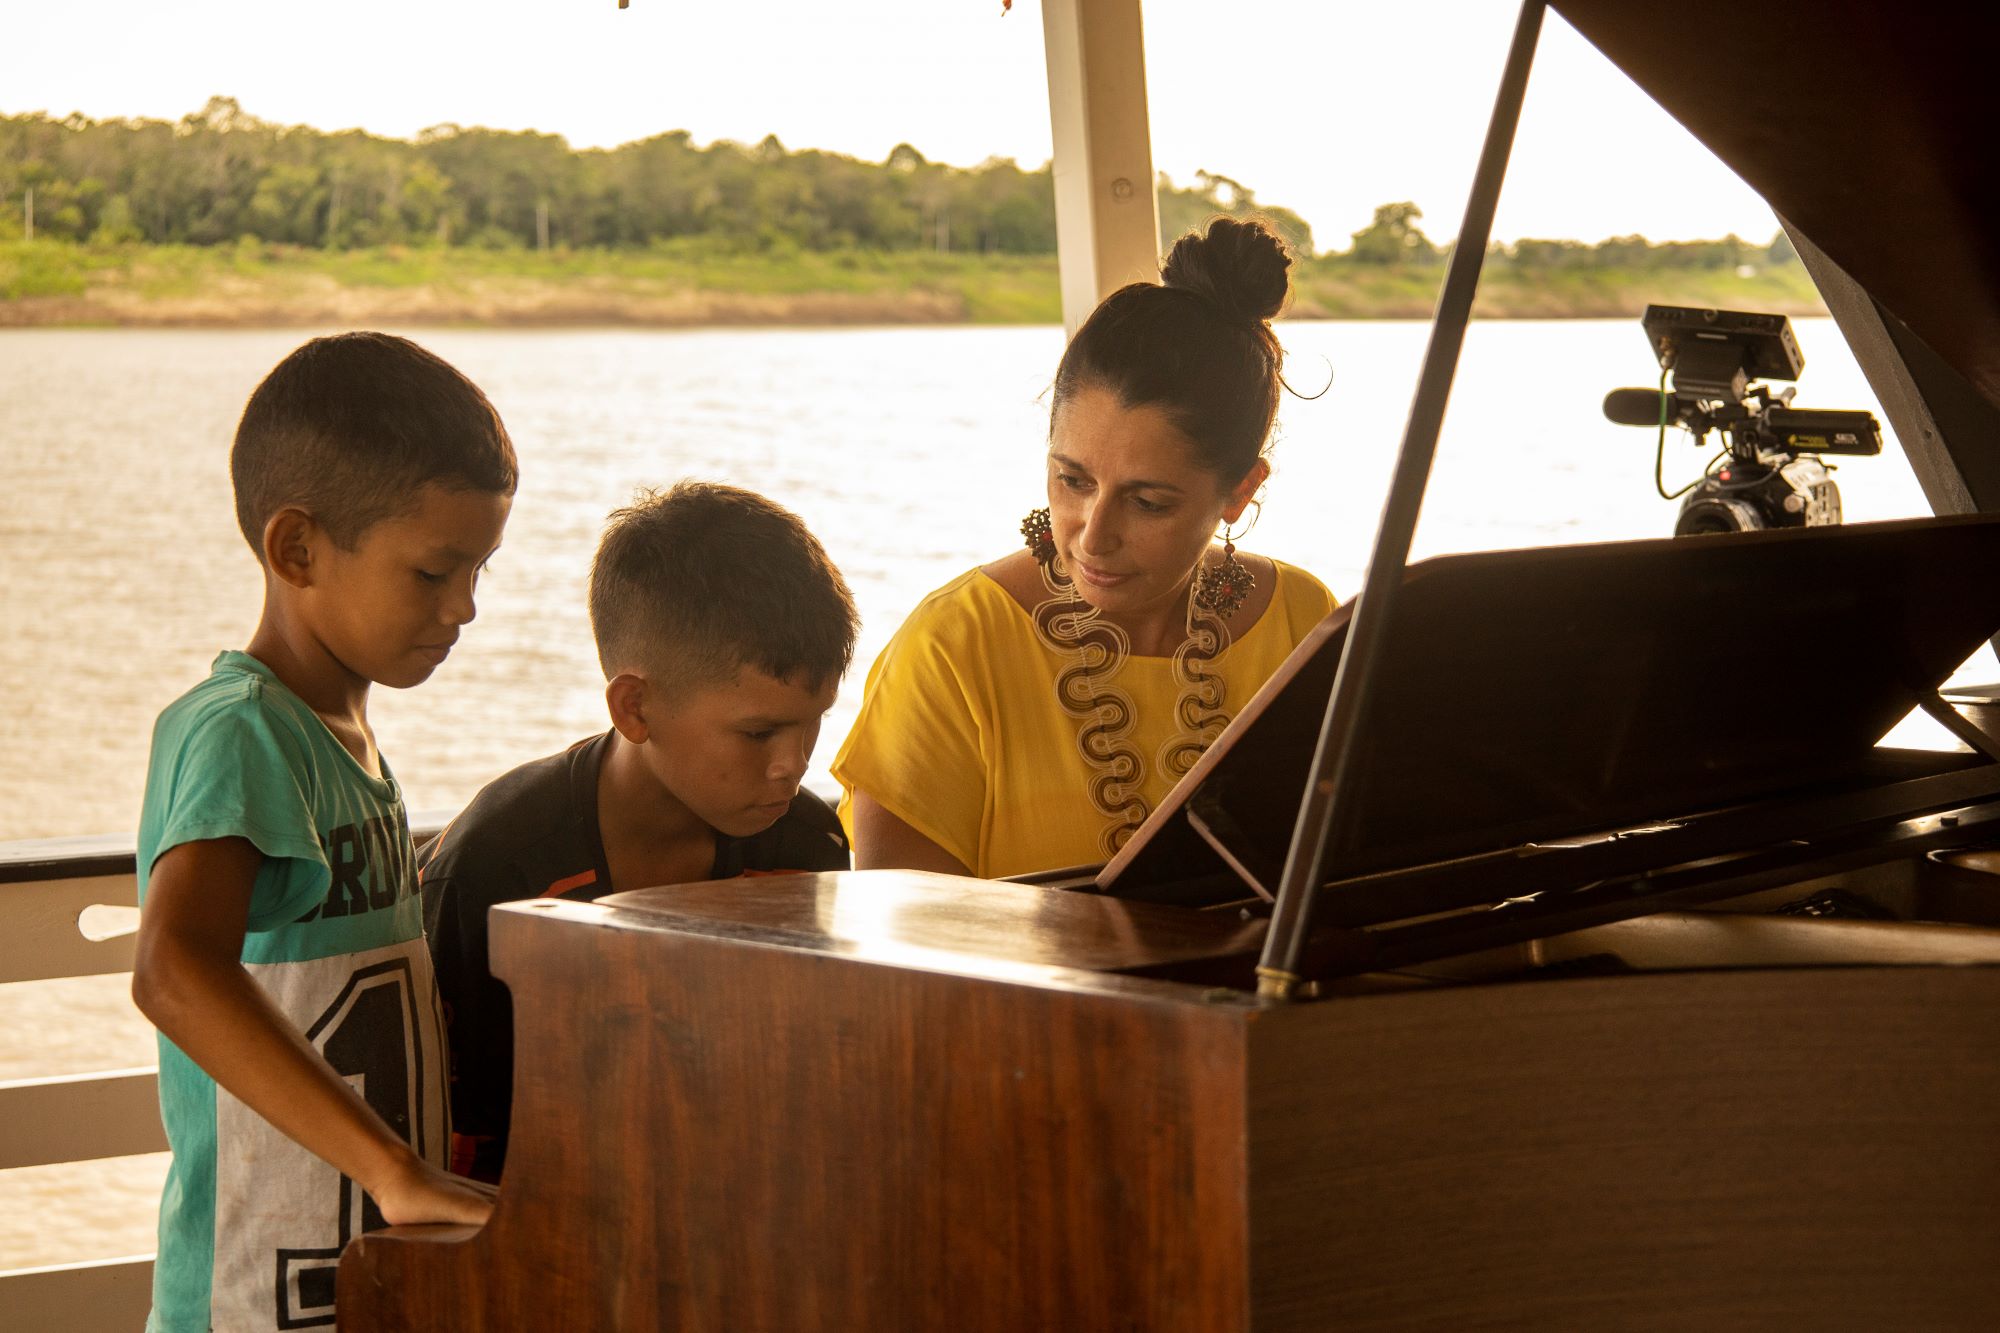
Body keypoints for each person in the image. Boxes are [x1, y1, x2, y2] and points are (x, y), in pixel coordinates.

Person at [130, 332, 514, 1331]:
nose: (465, 606)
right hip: (252, 1298)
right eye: (434, 571)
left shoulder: (344, 738)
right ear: (295, 547)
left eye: (478, 568)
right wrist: (393, 1169)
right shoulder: (241, 731)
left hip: (359, 1288)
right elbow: (172, 967)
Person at [834, 216, 1336, 879]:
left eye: (1147, 501)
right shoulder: (955, 644)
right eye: (1072, 480)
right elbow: (908, 944)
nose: (1092, 534)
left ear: (1241, 490)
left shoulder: (1304, 621)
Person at [420, 481, 858, 1182]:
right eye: (758, 731)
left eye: (815, 720)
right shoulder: (495, 869)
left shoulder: (806, 846)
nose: (793, 763)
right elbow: (457, 1145)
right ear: (635, 707)